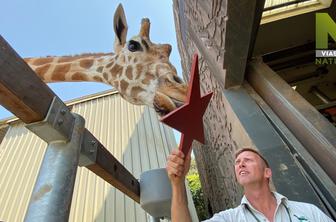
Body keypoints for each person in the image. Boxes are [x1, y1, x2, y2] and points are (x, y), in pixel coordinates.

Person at [166, 147, 334, 222]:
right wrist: (177, 182)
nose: (240, 164)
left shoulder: (308, 212)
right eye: (237, 162)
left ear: (267, 172)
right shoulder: (229, 218)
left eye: (248, 160)